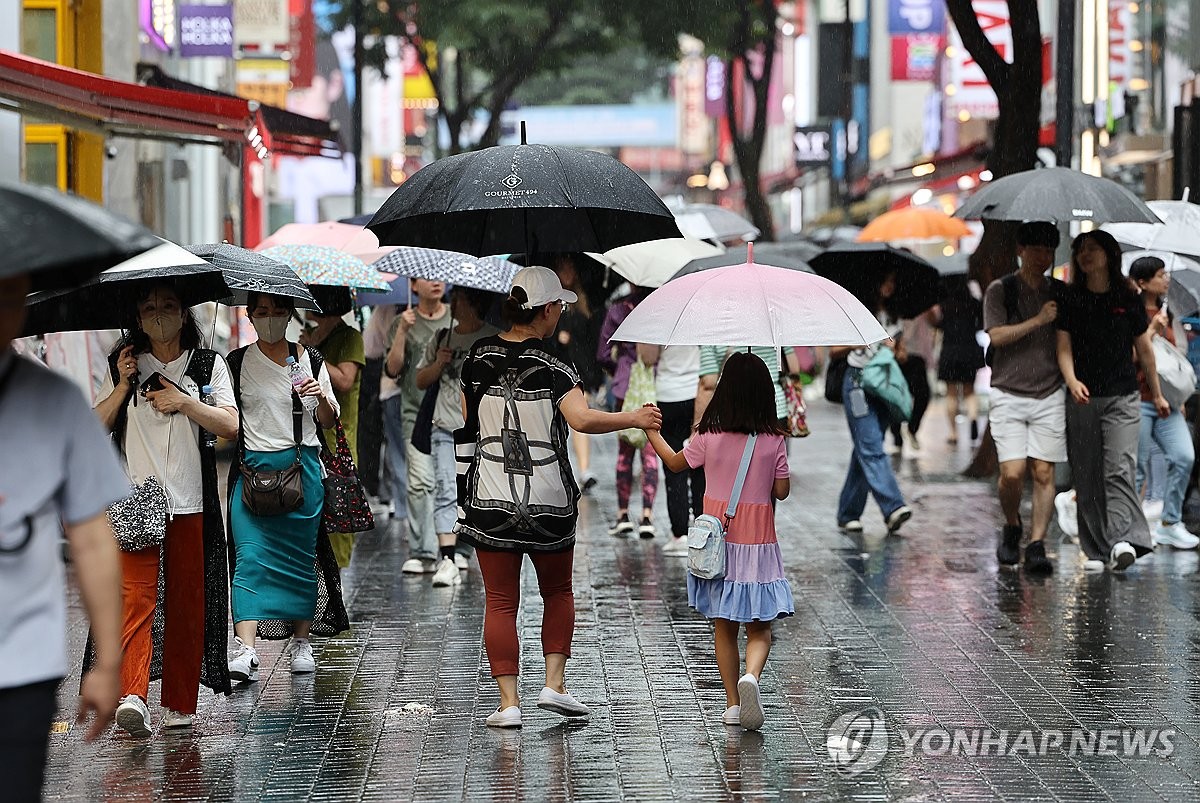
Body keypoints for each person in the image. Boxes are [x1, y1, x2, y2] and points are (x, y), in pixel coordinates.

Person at [456, 267, 661, 728]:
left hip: (489, 498)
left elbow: (466, 428)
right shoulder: (556, 369)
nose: (563, 312)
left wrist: (462, 492)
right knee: (557, 592)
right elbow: (583, 421)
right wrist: (634, 418)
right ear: (547, 310)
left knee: (500, 602)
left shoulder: (476, 359)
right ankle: (554, 684)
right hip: (549, 500)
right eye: (559, 306)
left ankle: (509, 704)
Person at [92, 284, 238, 736]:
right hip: (138, 499)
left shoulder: (208, 365)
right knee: (136, 598)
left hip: (192, 500)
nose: (159, 315)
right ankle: (133, 695)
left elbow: (231, 425)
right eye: (149, 307)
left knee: (187, 601)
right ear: (137, 315)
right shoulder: (127, 365)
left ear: (184, 313)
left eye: (168, 306)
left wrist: (186, 403)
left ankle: (179, 703)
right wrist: (121, 386)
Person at [1, 270, 125, 801]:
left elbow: (93, 538)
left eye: (7, 295)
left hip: (22, 660)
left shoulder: (55, 403)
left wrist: (108, 662)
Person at [644, 352, 793, 731]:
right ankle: (752, 678)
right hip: (758, 544)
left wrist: (652, 433)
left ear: (724, 391)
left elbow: (676, 464)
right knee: (760, 628)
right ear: (765, 394)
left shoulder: (707, 436)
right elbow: (783, 490)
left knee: (723, 626)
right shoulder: (773, 439)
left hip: (719, 546)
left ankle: (731, 703)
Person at [226, 293, 341, 680]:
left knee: (298, 560)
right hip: (252, 473)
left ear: (289, 314)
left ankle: (302, 642)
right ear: (250, 316)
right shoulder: (236, 363)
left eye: (278, 311)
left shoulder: (309, 360)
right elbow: (228, 419)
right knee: (248, 557)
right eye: (262, 312)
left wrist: (318, 395)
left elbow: (327, 422)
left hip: (302, 470)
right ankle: (245, 648)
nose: (271, 318)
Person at [1056, 230, 1168, 571]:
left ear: (1109, 254)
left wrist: (1158, 393)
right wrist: (1072, 380)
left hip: (1123, 395)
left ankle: (1122, 539)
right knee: (1087, 473)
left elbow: (1144, 350)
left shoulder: (1128, 296)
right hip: (1082, 398)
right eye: (1080, 250)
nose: (1085, 255)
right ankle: (1095, 549)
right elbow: (1063, 347)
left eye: (1092, 249)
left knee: (1119, 468)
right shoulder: (1071, 298)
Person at [983, 222, 1064, 573]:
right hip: (1008, 392)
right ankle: (1013, 524)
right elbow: (997, 337)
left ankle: (1037, 543)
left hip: (1049, 392)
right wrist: (1038, 319)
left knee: (1044, 473)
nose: (1042, 257)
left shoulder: (1060, 291)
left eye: (1049, 250)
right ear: (1021, 250)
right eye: (1036, 249)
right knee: (1012, 474)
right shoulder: (1002, 290)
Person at [415, 286, 499, 587]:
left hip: (481, 430)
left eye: (459, 300)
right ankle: (447, 557)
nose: (453, 305)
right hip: (443, 427)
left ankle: (474, 549)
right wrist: (440, 362)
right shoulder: (443, 337)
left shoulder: (491, 339)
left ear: (473, 302)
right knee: (446, 492)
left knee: (477, 493)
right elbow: (420, 380)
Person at [831, 272, 913, 535]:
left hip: (883, 387)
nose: (889, 285)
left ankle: (848, 512)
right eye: (884, 280)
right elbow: (833, 350)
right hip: (857, 384)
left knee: (865, 448)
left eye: (892, 281)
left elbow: (902, 354)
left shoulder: (894, 317)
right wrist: (861, 341)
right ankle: (892, 507)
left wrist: (898, 351)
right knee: (871, 445)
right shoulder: (856, 313)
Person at [1129, 256, 1198, 550]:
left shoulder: (1168, 313)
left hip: (1166, 404)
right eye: (1159, 274)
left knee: (1184, 457)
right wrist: (1151, 332)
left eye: (1165, 273)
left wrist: (1175, 397)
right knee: (1138, 468)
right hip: (1139, 399)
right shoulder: (1131, 313)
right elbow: (1130, 359)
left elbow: (1173, 358)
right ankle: (1130, 528)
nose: (1165, 278)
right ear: (1142, 282)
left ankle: (1170, 522)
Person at [386, 279, 451, 574]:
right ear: (413, 285)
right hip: (416, 412)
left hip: (450, 413)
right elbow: (393, 369)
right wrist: (402, 332)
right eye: (427, 277)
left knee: (450, 481)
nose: (436, 282)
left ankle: (453, 548)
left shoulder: (455, 318)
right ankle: (423, 550)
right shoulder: (404, 321)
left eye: (440, 277)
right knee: (421, 480)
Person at [302, 288, 366, 568]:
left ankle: (338, 572)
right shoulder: (310, 335)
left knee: (338, 506)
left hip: (339, 438)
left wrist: (312, 353)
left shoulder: (350, 337)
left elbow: (344, 380)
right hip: (310, 436)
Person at [597, 287, 661, 537]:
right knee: (650, 454)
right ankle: (647, 516)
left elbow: (602, 354)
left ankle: (623, 514)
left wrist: (619, 369)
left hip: (625, 388)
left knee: (625, 453)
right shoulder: (659, 308)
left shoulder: (618, 311)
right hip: (653, 388)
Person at [638, 343, 703, 555]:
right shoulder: (699, 311)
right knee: (700, 465)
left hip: (668, 395)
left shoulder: (658, 315)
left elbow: (648, 358)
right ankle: (703, 530)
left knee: (674, 465)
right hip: (696, 392)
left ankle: (680, 534)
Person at [551, 255, 605, 492]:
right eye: (563, 267)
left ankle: (583, 470)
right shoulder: (551, 304)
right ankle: (566, 470)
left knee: (579, 420)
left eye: (570, 267)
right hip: (556, 367)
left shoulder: (582, 303)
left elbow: (590, 341)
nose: (568, 273)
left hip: (578, 370)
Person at [365, 304, 407, 520]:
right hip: (405, 390)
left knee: (397, 450)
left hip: (393, 390)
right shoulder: (389, 311)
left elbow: (370, 349)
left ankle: (401, 505)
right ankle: (405, 505)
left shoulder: (385, 310)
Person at [938, 277, 985, 446]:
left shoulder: (945, 303)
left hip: (950, 350)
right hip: (969, 350)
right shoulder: (973, 303)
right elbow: (981, 324)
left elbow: (939, 325)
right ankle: (972, 419)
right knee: (970, 391)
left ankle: (953, 433)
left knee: (951, 393)